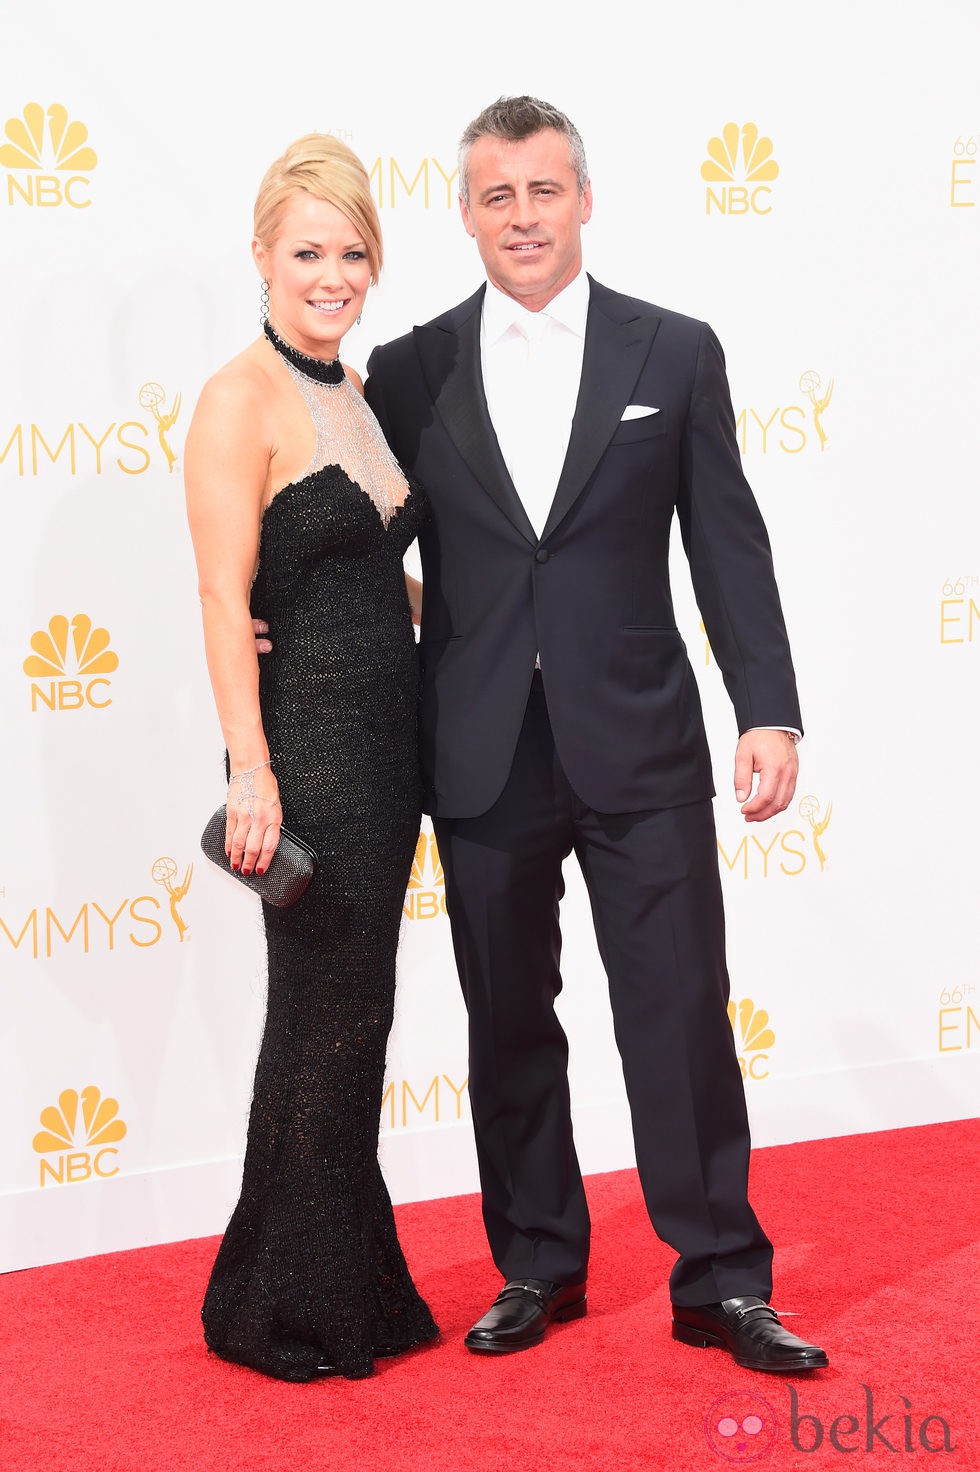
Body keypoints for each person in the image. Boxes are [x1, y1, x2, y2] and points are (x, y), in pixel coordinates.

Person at [360, 96, 829, 1374]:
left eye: (544, 190)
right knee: (507, 1017)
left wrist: (767, 704)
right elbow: (364, 551)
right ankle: (535, 1263)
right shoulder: (406, 371)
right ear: (462, 211)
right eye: (495, 195)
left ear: (584, 199)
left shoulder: (669, 352)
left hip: (641, 740)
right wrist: (269, 625)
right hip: (477, 745)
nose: (522, 216)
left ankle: (721, 1278)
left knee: (676, 1013)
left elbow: (726, 540)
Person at [184, 133, 437, 1382]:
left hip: (391, 751)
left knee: (352, 1012)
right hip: (311, 756)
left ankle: (330, 1280)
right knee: (321, 1015)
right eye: (306, 252)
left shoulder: (353, 387)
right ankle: (277, 1304)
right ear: (261, 256)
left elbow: (360, 566)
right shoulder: (240, 398)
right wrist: (251, 766)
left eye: (349, 252)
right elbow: (223, 598)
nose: (330, 275)